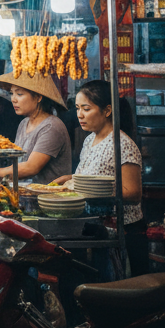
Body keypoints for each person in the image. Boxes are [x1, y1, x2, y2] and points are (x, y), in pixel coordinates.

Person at [55, 80, 144, 235]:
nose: (79, 115)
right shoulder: (89, 139)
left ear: (107, 110)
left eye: (86, 109)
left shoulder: (122, 144)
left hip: (123, 231)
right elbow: (95, 175)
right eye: (77, 108)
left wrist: (93, 190)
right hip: (98, 226)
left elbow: (133, 193)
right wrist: (69, 179)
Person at [0, 72, 71, 185]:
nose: (13, 99)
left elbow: (31, 167)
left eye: (19, 94)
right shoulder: (24, 123)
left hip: (48, 198)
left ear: (38, 97)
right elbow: (18, 161)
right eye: (11, 93)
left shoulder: (51, 127)